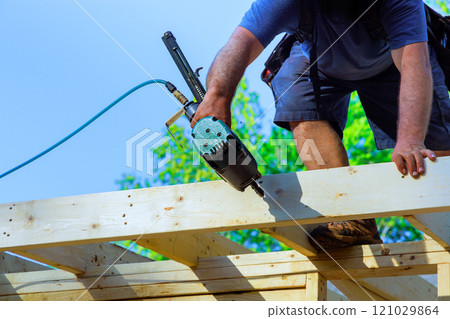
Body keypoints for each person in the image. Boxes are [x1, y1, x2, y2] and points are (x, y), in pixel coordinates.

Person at [191, 0, 450, 251]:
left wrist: (411, 138)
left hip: (391, 66)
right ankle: (351, 213)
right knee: (292, 88)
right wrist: (216, 98)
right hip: (319, 63)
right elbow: (241, 42)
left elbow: (414, 64)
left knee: (433, 155)